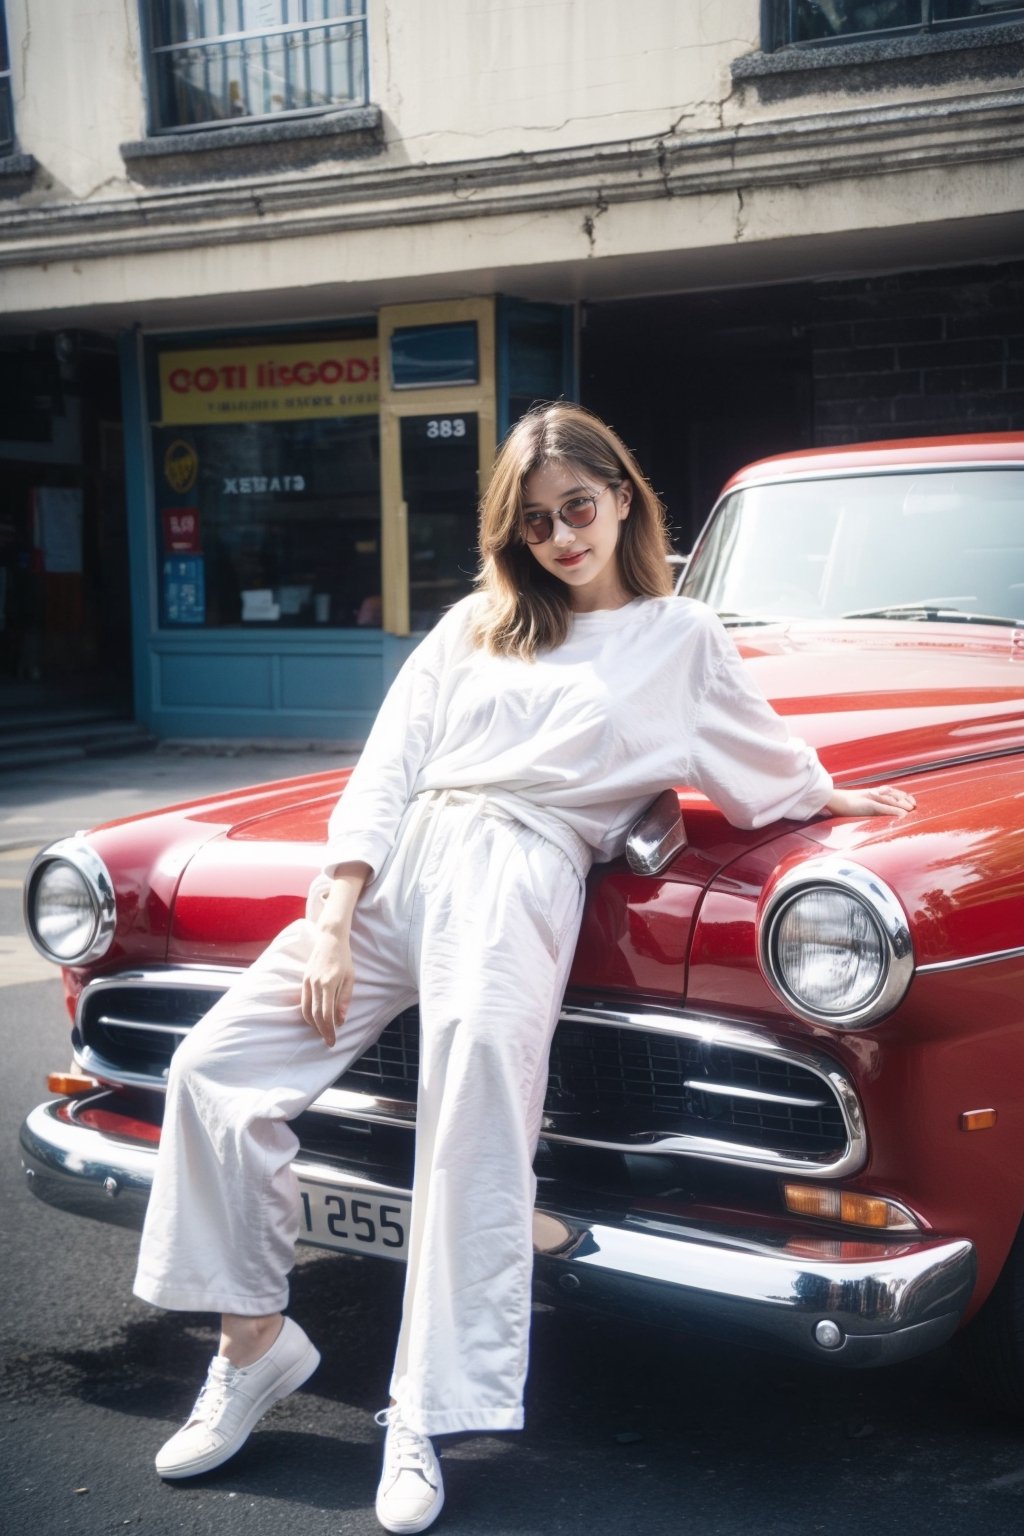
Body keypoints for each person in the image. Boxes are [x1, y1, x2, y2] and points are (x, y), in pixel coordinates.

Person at [133, 402, 915, 1533]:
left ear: (625, 502)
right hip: (404, 865)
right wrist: (339, 907)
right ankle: (252, 1342)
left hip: (520, 872)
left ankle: (420, 1416)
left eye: (580, 509)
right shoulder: (474, 624)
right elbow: (387, 767)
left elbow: (765, 766)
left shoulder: (676, 636)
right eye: (536, 520)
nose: (561, 537)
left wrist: (827, 795)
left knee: (470, 1134)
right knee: (215, 1068)